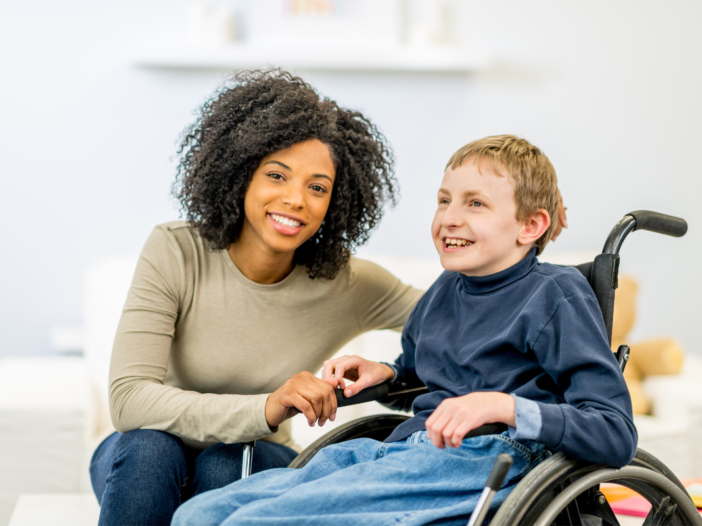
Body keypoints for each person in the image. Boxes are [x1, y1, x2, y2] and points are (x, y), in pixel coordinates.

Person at [171, 135, 635, 526]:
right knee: (199, 515)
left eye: (475, 204)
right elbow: (421, 381)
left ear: (531, 225)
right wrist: (384, 376)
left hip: (487, 462)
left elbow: (614, 432)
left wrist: (503, 406)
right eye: (444, 200)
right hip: (407, 450)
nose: (450, 217)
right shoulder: (445, 290)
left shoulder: (555, 294)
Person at [88, 69, 427, 526]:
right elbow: (129, 400)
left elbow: (466, 316)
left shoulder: (350, 283)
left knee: (226, 461)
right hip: (142, 460)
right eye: (277, 175)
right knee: (150, 446)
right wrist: (263, 407)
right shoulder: (176, 250)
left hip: (254, 457)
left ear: (336, 202)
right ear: (241, 173)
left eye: (317, 187)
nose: (296, 200)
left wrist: (523, 244)